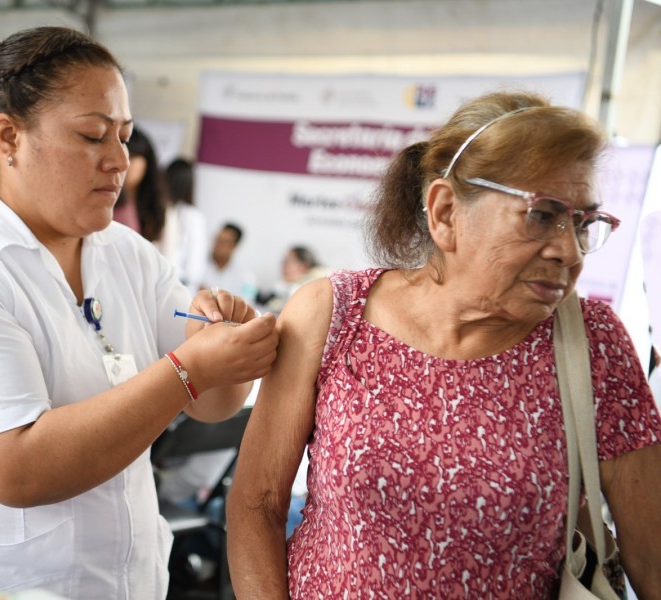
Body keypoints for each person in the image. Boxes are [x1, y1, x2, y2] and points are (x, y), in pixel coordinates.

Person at [0, 27, 277, 599]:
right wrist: (186, 369)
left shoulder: (128, 254)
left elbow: (214, 404)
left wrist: (226, 347)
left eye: (126, 137)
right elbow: (16, 468)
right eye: (92, 136)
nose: (118, 162)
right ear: (9, 137)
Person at [226, 90, 661, 598]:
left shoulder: (594, 345)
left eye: (584, 222)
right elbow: (257, 504)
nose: (569, 250)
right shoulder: (333, 314)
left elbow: (651, 556)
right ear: (446, 211)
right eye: (543, 215)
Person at [156, 157, 209, 296]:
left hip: (156, 280)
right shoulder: (194, 215)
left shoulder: (158, 209)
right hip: (181, 285)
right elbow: (196, 263)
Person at [113, 125, 166, 242]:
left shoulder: (155, 205)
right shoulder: (108, 200)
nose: (125, 163)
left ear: (146, 162)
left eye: (132, 157)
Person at [260, 246, 330, 314]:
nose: (283, 266)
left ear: (303, 266)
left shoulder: (304, 289)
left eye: (288, 262)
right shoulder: (323, 280)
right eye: (283, 261)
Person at [202, 222, 257, 302]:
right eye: (217, 239)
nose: (218, 245)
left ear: (234, 246)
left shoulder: (247, 276)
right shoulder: (197, 265)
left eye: (224, 242)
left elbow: (247, 302)